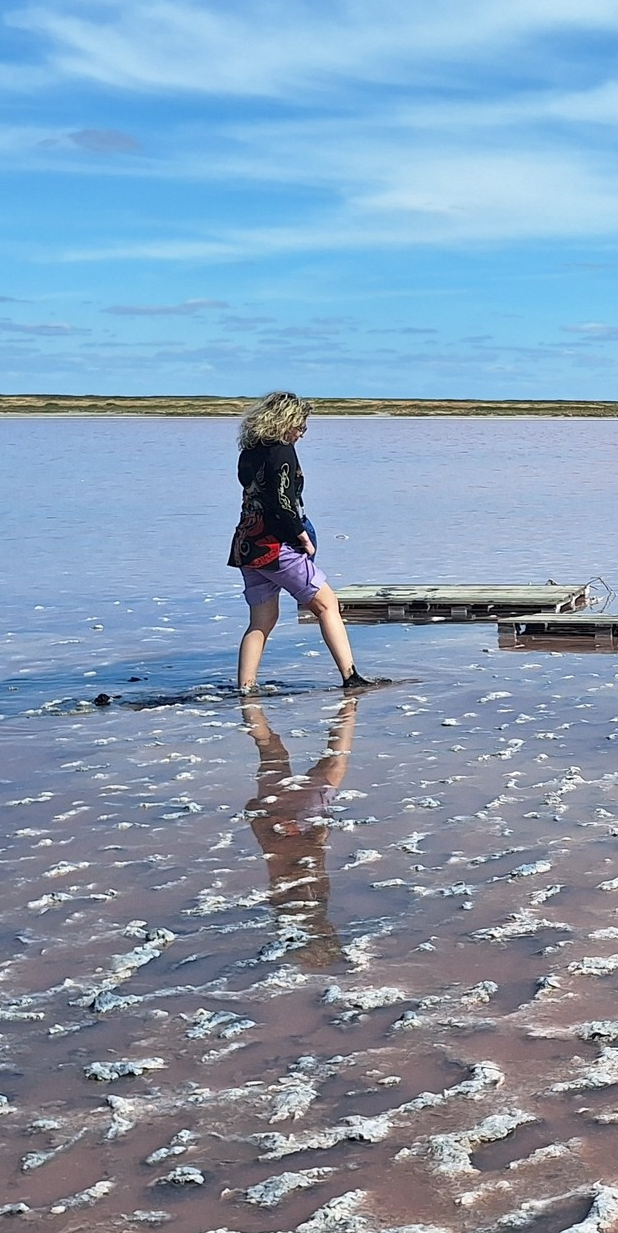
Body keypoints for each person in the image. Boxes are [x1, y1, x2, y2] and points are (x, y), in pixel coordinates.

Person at [229, 390, 373, 694]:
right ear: (285, 422)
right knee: (327, 604)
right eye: (300, 426)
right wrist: (301, 536)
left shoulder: (249, 452)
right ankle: (351, 677)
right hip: (276, 545)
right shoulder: (281, 450)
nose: (301, 434)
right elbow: (280, 502)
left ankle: (245, 688)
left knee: (262, 620)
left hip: (247, 544)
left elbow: (259, 496)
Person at [241, 693, 356, 968]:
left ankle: (350, 700)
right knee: (271, 750)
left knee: (335, 761)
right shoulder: (285, 901)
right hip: (275, 819)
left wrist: (317, 831)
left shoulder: (305, 899)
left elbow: (304, 858)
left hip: (295, 822)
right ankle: (247, 702)